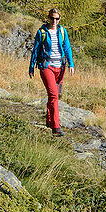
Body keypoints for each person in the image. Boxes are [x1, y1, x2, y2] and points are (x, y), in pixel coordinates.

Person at [28, 7, 74, 136]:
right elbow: (36, 50)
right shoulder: (42, 32)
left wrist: (71, 63)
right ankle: (56, 127)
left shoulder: (63, 31)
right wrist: (31, 67)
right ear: (48, 18)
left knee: (53, 94)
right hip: (46, 66)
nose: (54, 21)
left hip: (60, 67)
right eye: (52, 18)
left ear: (60, 19)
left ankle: (49, 120)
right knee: (54, 95)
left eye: (57, 18)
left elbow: (67, 47)